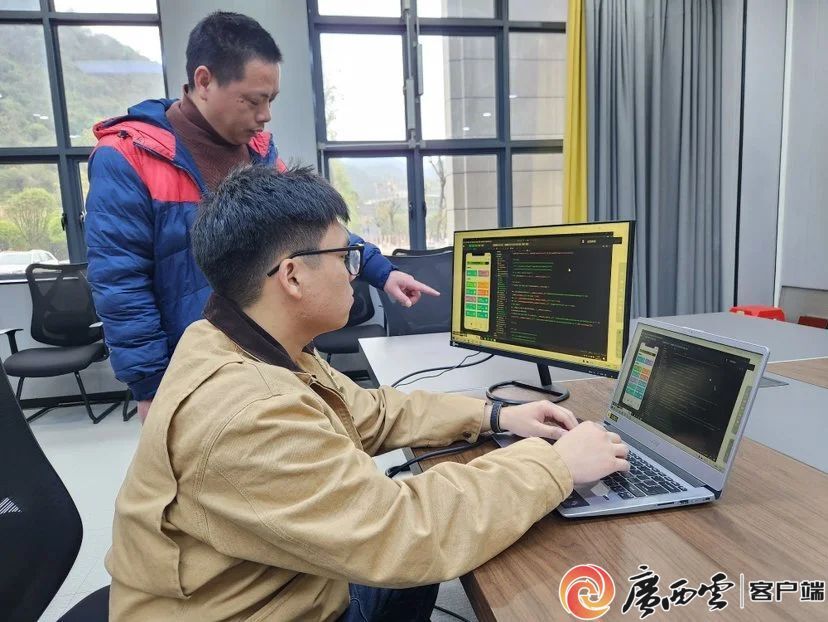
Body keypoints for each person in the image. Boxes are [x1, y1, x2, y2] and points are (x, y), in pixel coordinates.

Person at [106, 164, 630, 621]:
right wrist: (556, 466)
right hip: (257, 610)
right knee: (457, 555)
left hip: (282, 581)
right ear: (292, 276)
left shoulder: (244, 342)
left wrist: (495, 415)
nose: (355, 275)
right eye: (346, 258)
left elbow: (373, 412)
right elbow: (403, 534)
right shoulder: (249, 410)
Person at [84, 11, 436, 421]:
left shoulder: (260, 155)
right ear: (204, 81)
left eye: (271, 100)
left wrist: (381, 271)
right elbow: (121, 285)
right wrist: (151, 387)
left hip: (275, 357)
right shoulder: (129, 157)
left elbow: (314, 229)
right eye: (253, 101)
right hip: (195, 373)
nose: (265, 114)